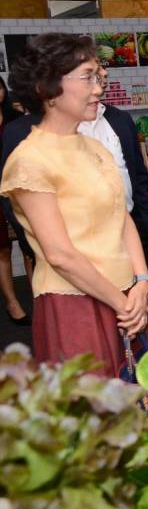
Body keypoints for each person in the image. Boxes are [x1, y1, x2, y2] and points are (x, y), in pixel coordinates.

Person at [0, 33, 148, 376]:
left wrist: (142, 282)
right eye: (87, 77)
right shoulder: (29, 160)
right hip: (75, 304)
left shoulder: (94, 148)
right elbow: (60, 255)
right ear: (46, 88)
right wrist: (122, 304)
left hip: (128, 296)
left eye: (98, 77)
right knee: (97, 405)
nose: (98, 89)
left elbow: (121, 216)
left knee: (146, 399)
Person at [4, 66, 148, 261]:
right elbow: (13, 200)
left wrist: (142, 225)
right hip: (68, 250)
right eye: (87, 77)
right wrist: (39, 248)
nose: (100, 82)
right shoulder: (21, 132)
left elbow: (138, 175)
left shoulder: (119, 120)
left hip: (129, 237)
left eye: (98, 75)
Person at [0, 76, 28, 323]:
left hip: (17, 190)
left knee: (30, 246)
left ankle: (39, 296)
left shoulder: (16, 119)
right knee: (2, 250)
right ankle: (12, 302)